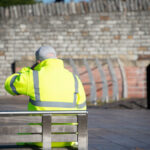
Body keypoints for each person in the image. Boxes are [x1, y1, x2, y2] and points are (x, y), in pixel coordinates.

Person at [4, 46, 86, 148]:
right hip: (67, 139)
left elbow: (9, 85)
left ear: (38, 61)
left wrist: (27, 70)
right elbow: (82, 110)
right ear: (56, 58)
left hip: (39, 139)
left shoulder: (33, 76)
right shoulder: (75, 79)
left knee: (25, 135)